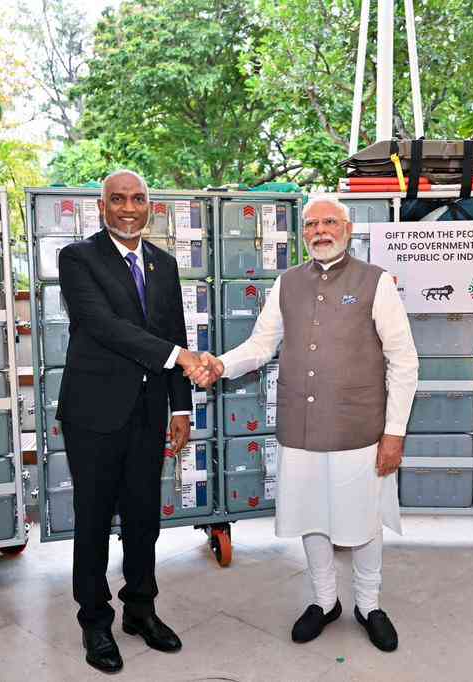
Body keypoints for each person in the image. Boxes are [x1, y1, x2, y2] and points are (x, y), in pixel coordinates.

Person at [188, 196, 418, 652]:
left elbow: (404, 361)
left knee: (364, 522)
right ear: (303, 233)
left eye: (329, 222)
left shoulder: (376, 282)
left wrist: (394, 433)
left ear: (348, 229)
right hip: (300, 427)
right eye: (311, 224)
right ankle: (325, 600)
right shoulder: (286, 283)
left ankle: (370, 605)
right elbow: (259, 345)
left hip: (360, 429)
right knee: (312, 518)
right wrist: (219, 365)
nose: (319, 230)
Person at [57, 169, 208, 674]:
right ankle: (95, 621)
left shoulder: (163, 264)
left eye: (138, 199)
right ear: (101, 206)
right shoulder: (78, 258)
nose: (128, 207)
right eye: (117, 199)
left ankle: (140, 609)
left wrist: (180, 406)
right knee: (95, 520)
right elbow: (104, 327)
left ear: (151, 207)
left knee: (145, 519)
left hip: (148, 413)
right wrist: (183, 358)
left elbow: (174, 330)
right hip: (94, 413)